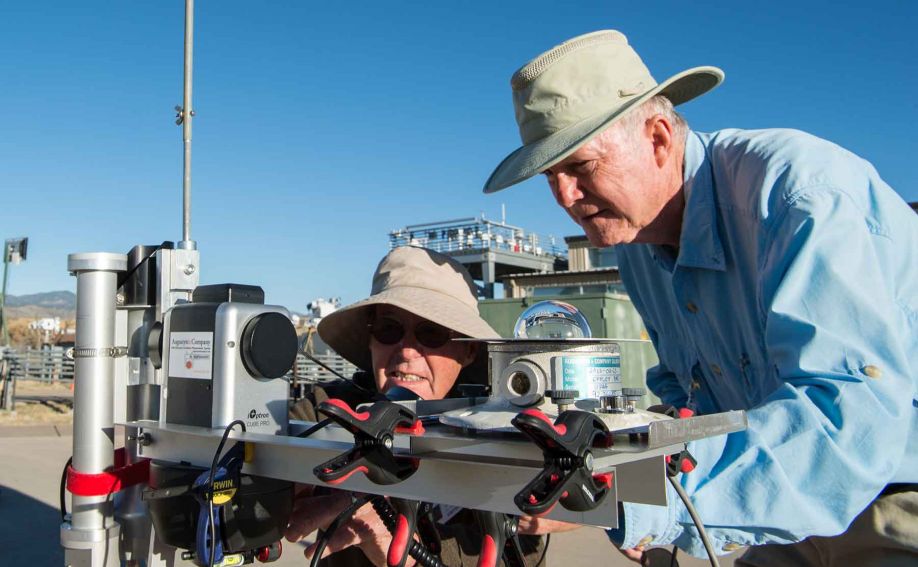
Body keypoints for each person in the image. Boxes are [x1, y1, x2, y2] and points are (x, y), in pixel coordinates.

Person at [483, 30, 918, 566]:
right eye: (552, 176)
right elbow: (686, 386)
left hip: (893, 502)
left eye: (581, 166)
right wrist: (605, 462)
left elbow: (846, 420)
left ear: (659, 137)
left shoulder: (799, 195)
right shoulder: (636, 245)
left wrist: (635, 497)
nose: (565, 198)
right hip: (770, 506)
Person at [285, 245, 550, 566]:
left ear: (468, 352)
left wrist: (403, 549)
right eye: (389, 329)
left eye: (432, 332)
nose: (407, 351)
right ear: (371, 339)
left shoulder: (512, 429)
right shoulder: (328, 410)